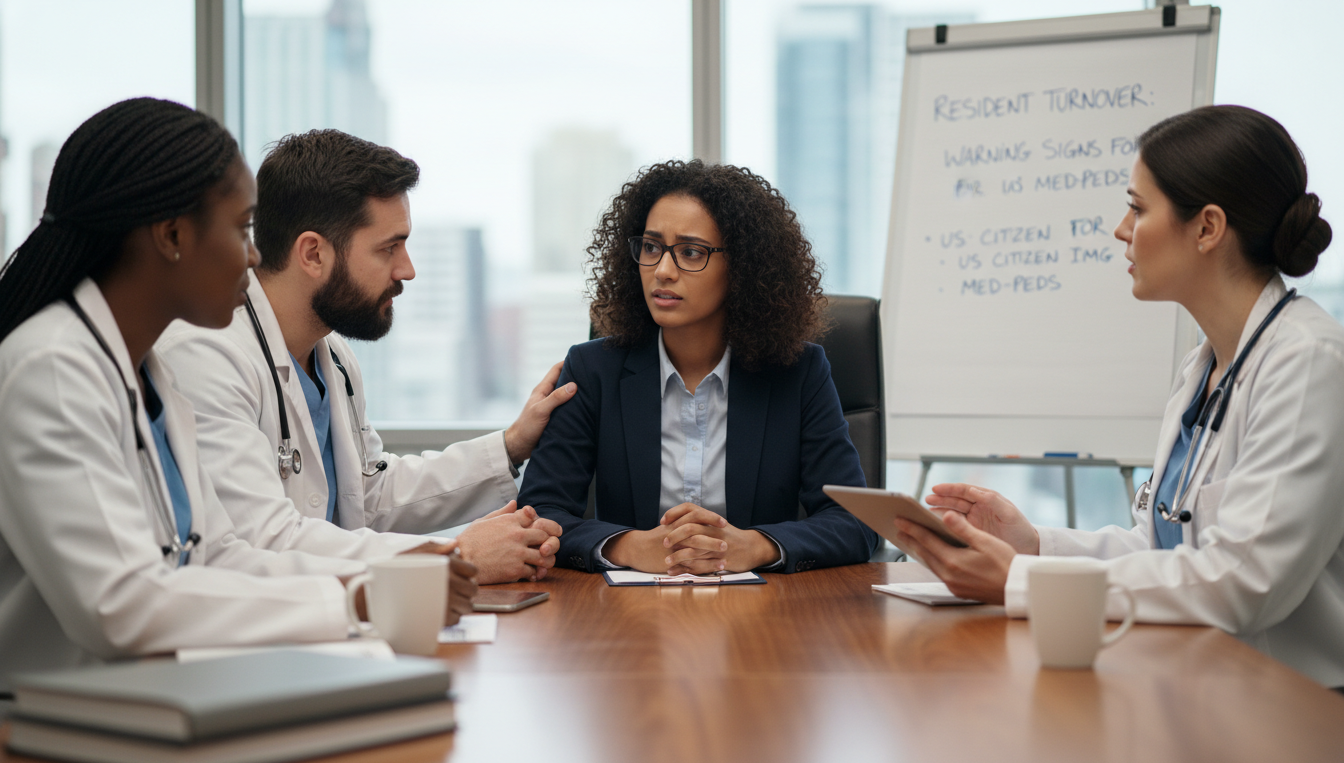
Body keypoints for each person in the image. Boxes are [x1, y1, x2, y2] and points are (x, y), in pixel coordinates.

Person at [0, 99, 476, 691]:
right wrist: (353, 601)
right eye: (241, 229)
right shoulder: (53, 369)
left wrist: (375, 588)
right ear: (172, 236)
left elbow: (220, 556)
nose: (254, 255)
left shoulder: (151, 376)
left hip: (157, 694)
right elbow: (121, 606)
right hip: (52, 724)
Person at [891, 105, 1344, 688]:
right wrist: (1034, 545)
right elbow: (1164, 550)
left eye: (1137, 207)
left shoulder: (1307, 362)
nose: (1121, 229)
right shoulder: (1202, 366)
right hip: (1197, 684)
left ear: (1207, 228)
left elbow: (1242, 583)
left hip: (1287, 706)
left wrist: (1020, 579)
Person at [157, 129, 569, 585]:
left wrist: (511, 444)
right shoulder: (206, 354)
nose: (407, 270)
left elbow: (367, 494)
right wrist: (456, 555)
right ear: (313, 253)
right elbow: (264, 540)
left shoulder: (332, 356)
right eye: (388, 248)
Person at [518, 160, 880, 574]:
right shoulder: (593, 369)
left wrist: (755, 546)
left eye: (691, 252)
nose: (663, 271)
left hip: (764, 618)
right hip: (625, 618)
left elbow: (856, 522)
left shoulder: (798, 372)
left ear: (743, 266)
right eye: (651, 248)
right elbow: (540, 514)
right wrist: (628, 547)